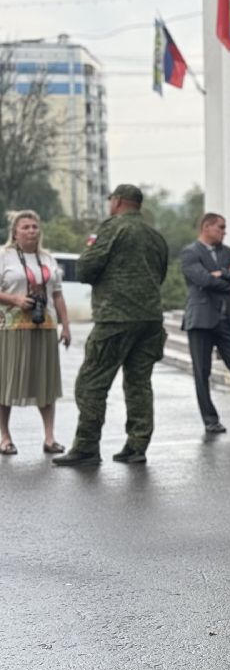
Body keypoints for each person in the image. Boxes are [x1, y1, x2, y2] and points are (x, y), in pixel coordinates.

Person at [53, 185, 170, 467]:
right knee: (139, 384)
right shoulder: (155, 236)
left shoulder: (113, 228)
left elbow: (85, 269)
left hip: (115, 318)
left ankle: (86, 447)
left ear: (117, 202)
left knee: (91, 383)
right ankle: (136, 446)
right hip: (150, 319)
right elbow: (161, 273)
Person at [0, 211, 71, 456]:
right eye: (26, 227)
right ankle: (5, 437)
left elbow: (58, 294)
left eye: (35, 227)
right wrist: (15, 299)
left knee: (46, 383)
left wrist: (66, 325)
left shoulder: (47, 258)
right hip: (11, 327)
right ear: (15, 232)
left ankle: (50, 437)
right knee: (6, 382)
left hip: (45, 326)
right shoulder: (4, 256)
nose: (32, 231)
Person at [180, 213, 230, 436]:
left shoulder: (226, 251)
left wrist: (221, 275)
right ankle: (210, 420)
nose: (224, 231)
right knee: (202, 372)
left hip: (226, 320)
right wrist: (226, 279)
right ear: (207, 227)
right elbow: (202, 280)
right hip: (200, 320)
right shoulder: (190, 252)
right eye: (220, 227)